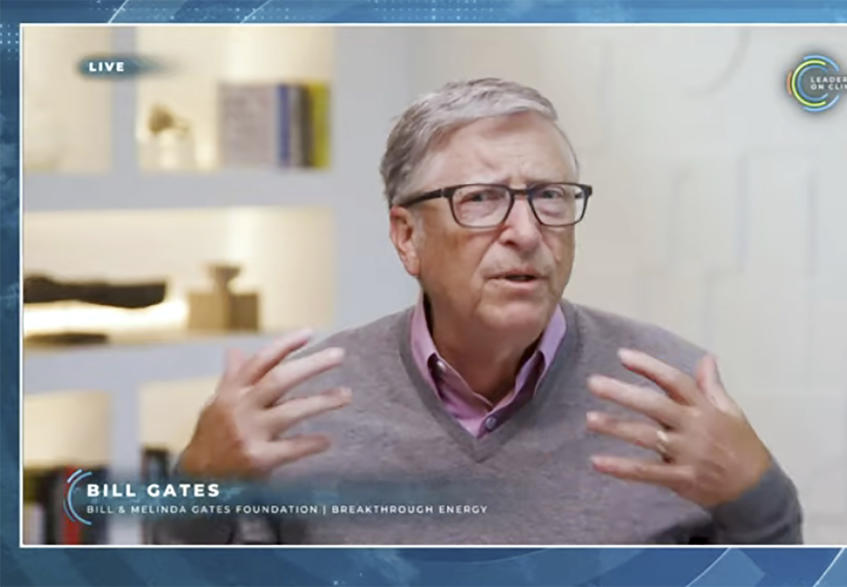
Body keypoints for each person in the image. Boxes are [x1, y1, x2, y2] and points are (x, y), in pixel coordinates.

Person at [156, 78, 802, 545]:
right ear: (407, 236)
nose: (525, 230)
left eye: (549, 196)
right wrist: (197, 485)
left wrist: (761, 498)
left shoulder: (670, 390)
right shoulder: (302, 402)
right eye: (483, 198)